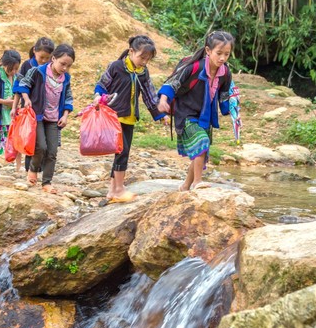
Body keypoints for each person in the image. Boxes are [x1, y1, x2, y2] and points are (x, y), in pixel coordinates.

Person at [94, 35, 168, 205]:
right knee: (122, 151)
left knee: (122, 152)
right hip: (114, 116)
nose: (144, 61)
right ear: (131, 52)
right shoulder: (116, 67)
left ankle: (112, 190)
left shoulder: (143, 72)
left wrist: (160, 114)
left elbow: (150, 95)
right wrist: (98, 96)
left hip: (130, 118)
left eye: (148, 59)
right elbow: (101, 84)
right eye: (142, 57)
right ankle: (119, 189)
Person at [157, 31, 234, 191]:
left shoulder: (225, 72)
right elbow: (172, 83)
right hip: (186, 113)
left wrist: (230, 111)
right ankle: (197, 182)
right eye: (219, 53)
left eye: (227, 54)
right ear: (208, 50)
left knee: (201, 152)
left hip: (205, 116)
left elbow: (225, 94)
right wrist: (163, 100)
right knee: (202, 143)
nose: (222, 58)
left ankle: (185, 186)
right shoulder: (194, 67)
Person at [14, 44, 75, 193]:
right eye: (62, 64)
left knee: (52, 151)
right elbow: (23, 84)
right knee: (41, 146)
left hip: (54, 118)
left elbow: (68, 97)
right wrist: (26, 99)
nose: (64, 68)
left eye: (68, 66)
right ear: (53, 58)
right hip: (38, 116)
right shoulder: (38, 72)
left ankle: (47, 182)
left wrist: (65, 115)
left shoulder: (65, 78)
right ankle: (33, 170)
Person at [12, 37, 55, 173]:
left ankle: (37, 169)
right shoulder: (27, 65)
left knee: (45, 143)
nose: (43, 60)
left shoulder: (50, 68)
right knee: (31, 140)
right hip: (29, 110)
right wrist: (14, 107)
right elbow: (18, 87)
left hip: (46, 112)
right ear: (34, 50)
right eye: (41, 57)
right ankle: (29, 170)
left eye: (47, 58)